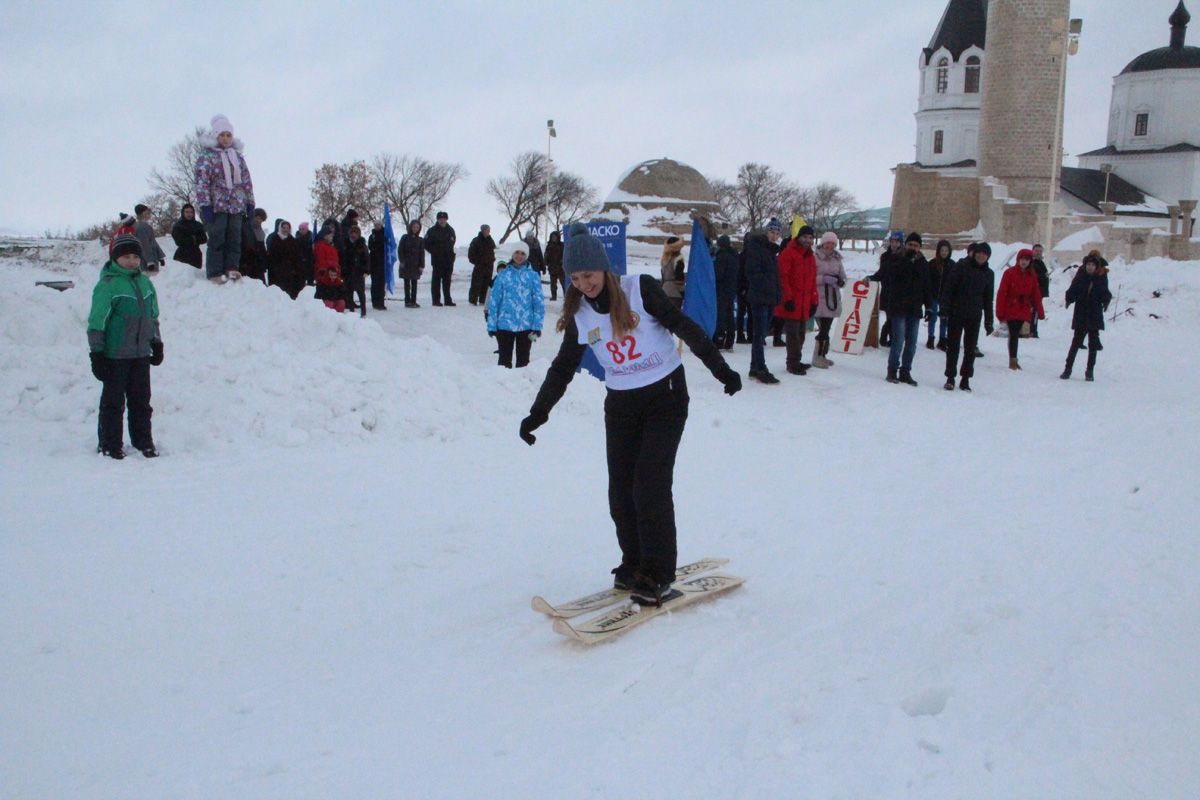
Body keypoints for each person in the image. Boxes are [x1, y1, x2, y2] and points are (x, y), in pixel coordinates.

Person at [518, 222, 742, 606]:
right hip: (621, 405)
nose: (583, 283)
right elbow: (562, 367)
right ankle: (634, 562)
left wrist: (721, 369)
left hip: (665, 398)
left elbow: (685, 327)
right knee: (621, 492)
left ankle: (658, 573)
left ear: (604, 268)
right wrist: (538, 413)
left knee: (650, 486)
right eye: (574, 277)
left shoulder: (640, 290)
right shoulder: (581, 315)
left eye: (588, 274)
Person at [87, 234, 163, 459]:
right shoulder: (107, 285)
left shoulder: (145, 282)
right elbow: (96, 322)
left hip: (140, 354)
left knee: (141, 401)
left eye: (135, 257)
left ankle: (143, 441)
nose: (131, 261)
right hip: (115, 355)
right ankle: (110, 444)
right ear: (115, 258)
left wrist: (156, 343)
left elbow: (153, 316)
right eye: (126, 257)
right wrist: (97, 353)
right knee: (113, 403)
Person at [194, 114, 254, 284]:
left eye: (229, 135)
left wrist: (249, 202)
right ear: (215, 136)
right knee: (217, 237)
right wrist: (204, 204)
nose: (226, 139)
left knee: (235, 238)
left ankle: (232, 268)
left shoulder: (238, 157)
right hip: (217, 205)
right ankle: (215, 271)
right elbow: (201, 181)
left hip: (236, 204)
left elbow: (246, 181)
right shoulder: (207, 156)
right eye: (222, 135)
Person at [869, 232, 932, 385]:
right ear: (906, 245)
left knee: (911, 343)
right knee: (898, 341)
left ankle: (906, 371)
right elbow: (885, 273)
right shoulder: (896, 259)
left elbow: (927, 286)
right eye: (910, 244)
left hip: (915, 308)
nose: (913, 248)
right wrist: (870, 278)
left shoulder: (923, 263)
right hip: (898, 307)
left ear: (919, 248)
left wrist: (929, 307)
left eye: (916, 246)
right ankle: (892, 370)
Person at [940, 241, 995, 391]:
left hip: (974, 315)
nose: (981, 256)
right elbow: (949, 288)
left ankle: (965, 379)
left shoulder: (989, 274)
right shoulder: (962, 266)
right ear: (974, 253)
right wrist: (944, 308)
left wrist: (989, 321)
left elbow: (988, 299)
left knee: (970, 349)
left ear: (988, 257)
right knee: (953, 347)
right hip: (956, 312)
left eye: (985, 254)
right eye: (979, 253)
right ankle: (950, 377)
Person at [486, 240, 544, 368]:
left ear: (526, 256)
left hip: (526, 327)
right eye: (517, 252)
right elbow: (494, 301)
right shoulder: (503, 276)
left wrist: (537, 325)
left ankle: (521, 387)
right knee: (504, 363)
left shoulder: (533, 276)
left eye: (523, 253)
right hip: (504, 326)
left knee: (523, 363)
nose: (519, 256)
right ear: (512, 254)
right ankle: (502, 386)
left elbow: (538, 302)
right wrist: (491, 325)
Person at [775, 225, 819, 375]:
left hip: (805, 302)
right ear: (798, 237)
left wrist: (814, 300)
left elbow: (813, 281)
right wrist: (787, 298)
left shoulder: (810, 257)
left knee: (801, 333)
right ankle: (792, 363)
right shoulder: (788, 254)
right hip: (792, 301)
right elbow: (782, 278)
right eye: (805, 237)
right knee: (793, 335)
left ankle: (796, 360)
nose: (807, 240)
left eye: (810, 238)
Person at [1061, 253, 1112, 381]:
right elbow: (1073, 289)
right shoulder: (1081, 276)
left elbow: (1105, 292)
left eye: (1092, 265)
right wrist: (1069, 298)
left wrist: (1106, 301)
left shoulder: (1101, 277)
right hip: (1081, 313)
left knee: (1093, 345)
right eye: (1088, 264)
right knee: (1075, 343)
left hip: (1094, 314)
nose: (1090, 267)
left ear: (1096, 266)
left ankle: (1090, 371)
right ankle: (1067, 369)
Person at [743, 225, 783, 383]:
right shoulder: (756, 248)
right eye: (772, 232)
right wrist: (769, 287)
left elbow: (775, 276)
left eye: (777, 233)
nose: (775, 236)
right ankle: (760, 367)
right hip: (760, 297)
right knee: (759, 335)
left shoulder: (772, 251)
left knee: (762, 334)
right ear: (766, 233)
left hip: (769, 297)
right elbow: (753, 273)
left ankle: (755, 366)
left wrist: (777, 292)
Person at [995, 248, 1046, 370]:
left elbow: (1036, 294)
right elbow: (1002, 293)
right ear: (1018, 259)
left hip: (1023, 308)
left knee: (1016, 333)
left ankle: (1013, 358)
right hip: (1011, 306)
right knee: (1013, 333)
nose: (1024, 262)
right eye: (1022, 259)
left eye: (1027, 260)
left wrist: (1040, 311)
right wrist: (1000, 312)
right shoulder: (1009, 273)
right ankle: (1013, 359)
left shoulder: (1032, 276)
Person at [811, 231, 847, 368]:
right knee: (823, 329)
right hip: (819, 298)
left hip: (832, 299)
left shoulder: (837, 259)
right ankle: (817, 356)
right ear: (823, 243)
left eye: (833, 243)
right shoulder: (815, 258)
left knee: (827, 328)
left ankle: (822, 355)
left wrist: (839, 281)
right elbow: (809, 278)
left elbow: (843, 276)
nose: (830, 246)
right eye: (828, 243)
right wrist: (823, 279)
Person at [873, 230, 906, 347]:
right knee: (890, 317)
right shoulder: (885, 256)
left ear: (901, 243)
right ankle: (887, 338)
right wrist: (871, 278)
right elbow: (881, 273)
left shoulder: (905, 256)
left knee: (896, 318)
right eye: (892, 241)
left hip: (900, 293)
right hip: (888, 291)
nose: (894, 244)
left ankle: (891, 338)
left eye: (897, 242)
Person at [266, 219, 305, 299]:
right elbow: (271, 256)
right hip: (277, 272)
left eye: (287, 228)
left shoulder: (293, 241)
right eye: (284, 227)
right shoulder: (274, 239)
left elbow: (297, 257)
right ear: (280, 228)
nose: (285, 230)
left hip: (290, 273)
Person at [424, 210, 457, 306]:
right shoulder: (432, 231)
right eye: (440, 219)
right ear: (437, 220)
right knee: (436, 281)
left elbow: (453, 241)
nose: (442, 221)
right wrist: (435, 251)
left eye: (444, 219)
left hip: (448, 259)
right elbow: (426, 244)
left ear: (446, 219)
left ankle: (448, 300)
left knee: (447, 281)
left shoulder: (451, 230)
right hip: (437, 259)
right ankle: (436, 300)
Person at [713, 235, 739, 350]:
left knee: (721, 316)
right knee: (730, 317)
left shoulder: (721, 257)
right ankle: (730, 341)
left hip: (721, 290)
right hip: (731, 289)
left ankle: (719, 339)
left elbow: (718, 275)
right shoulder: (734, 256)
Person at [927, 239, 953, 349]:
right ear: (938, 251)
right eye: (942, 250)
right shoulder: (932, 264)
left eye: (946, 250)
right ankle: (930, 338)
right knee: (932, 318)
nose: (944, 253)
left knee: (944, 318)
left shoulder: (952, 265)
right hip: (933, 295)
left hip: (945, 297)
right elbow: (928, 280)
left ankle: (942, 339)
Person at [313, 223, 345, 312]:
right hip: (325, 277)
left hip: (335, 276)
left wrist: (337, 270)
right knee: (328, 301)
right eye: (330, 234)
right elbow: (321, 261)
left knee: (339, 301)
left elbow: (337, 260)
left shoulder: (333, 247)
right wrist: (330, 269)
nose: (332, 236)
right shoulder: (320, 246)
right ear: (325, 235)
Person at [170, 203, 207, 270]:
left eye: (191, 212)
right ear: (183, 213)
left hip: (196, 256)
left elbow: (204, 239)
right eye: (186, 212)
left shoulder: (198, 225)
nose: (189, 214)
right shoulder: (178, 226)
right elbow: (179, 241)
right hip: (181, 255)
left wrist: (193, 239)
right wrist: (193, 238)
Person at [343, 223, 370, 317]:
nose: (353, 235)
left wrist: (366, 270)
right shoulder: (345, 244)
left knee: (361, 293)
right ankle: (351, 311)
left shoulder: (362, 245)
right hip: (348, 272)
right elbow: (343, 258)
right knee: (349, 293)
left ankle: (363, 312)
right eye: (352, 232)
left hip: (359, 272)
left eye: (356, 233)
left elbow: (367, 258)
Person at [468, 224, 497, 306]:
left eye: (489, 230)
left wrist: (492, 259)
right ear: (482, 230)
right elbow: (471, 254)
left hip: (489, 266)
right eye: (486, 230)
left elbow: (492, 251)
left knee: (486, 284)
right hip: (479, 266)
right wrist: (477, 262)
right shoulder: (476, 241)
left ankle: (483, 300)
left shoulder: (490, 240)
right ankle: (472, 300)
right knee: (476, 283)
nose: (488, 232)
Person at [133, 203, 166, 274]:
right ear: (144, 213)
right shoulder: (141, 227)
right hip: (145, 264)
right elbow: (144, 245)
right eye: (148, 212)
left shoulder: (145, 226)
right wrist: (150, 262)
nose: (150, 214)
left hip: (150, 261)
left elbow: (153, 242)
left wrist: (160, 256)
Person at [398, 219, 425, 308]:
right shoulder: (405, 237)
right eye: (414, 227)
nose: (415, 229)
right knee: (407, 283)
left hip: (416, 265)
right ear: (411, 227)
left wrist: (421, 265)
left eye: (417, 227)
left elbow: (422, 253)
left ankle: (413, 301)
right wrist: (402, 261)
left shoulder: (420, 240)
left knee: (414, 283)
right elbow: (400, 250)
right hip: (406, 264)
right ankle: (407, 301)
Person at [1029, 243, 1050, 338]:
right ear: (1032, 251)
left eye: (1040, 251)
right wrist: (1044, 276)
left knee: (1036, 311)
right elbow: (1033, 276)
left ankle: (1033, 330)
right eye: (1036, 251)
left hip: (1039, 292)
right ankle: (1032, 331)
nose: (1038, 253)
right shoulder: (1031, 263)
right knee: (1033, 311)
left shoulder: (1041, 263)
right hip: (1033, 292)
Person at [659, 236, 686, 307]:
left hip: (664, 292)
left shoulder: (664, 259)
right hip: (675, 293)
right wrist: (683, 292)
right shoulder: (678, 259)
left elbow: (663, 278)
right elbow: (679, 278)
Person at [368, 221, 388, 310]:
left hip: (383, 263)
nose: (377, 226)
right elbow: (370, 247)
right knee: (375, 284)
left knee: (381, 284)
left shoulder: (386, 235)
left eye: (379, 225)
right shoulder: (372, 236)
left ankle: (381, 302)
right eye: (376, 225)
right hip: (374, 263)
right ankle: (375, 302)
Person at [545, 229, 565, 301]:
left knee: (563, 283)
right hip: (552, 268)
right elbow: (546, 255)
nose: (554, 238)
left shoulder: (562, 245)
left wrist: (562, 261)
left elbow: (565, 255)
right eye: (552, 237)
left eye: (555, 237)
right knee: (553, 284)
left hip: (561, 268)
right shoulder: (549, 246)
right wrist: (545, 262)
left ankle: (566, 296)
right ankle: (554, 296)